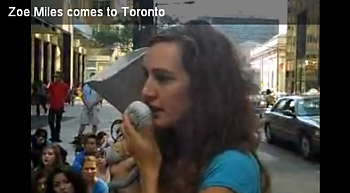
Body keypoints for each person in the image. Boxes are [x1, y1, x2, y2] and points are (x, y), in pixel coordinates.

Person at [117, 20, 271, 193]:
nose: (146, 91)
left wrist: (149, 171)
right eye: (147, 75)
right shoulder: (172, 152)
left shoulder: (233, 168)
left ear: (204, 87)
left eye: (163, 78)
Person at [74, 73, 102, 143]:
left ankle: (94, 136)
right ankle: (79, 136)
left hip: (94, 106)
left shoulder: (98, 87)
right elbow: (83, 96)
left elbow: (100, 97)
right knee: (83, 122)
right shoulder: (86, 86)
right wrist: (86, 103)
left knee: (94, 122)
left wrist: (92, 104)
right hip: (86, 106)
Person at [48, 72, 69, 142]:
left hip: (60, 105)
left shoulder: (64, 86)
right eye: (55, 77)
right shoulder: (52, 85)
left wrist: (63, 100)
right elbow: (49, 93)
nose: (56, 78)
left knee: (58, 122)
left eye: (57, 77)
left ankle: (56, 136)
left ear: (60, 78)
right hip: (53, 105)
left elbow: (67, 93)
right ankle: (53, 135)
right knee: (51, 121)